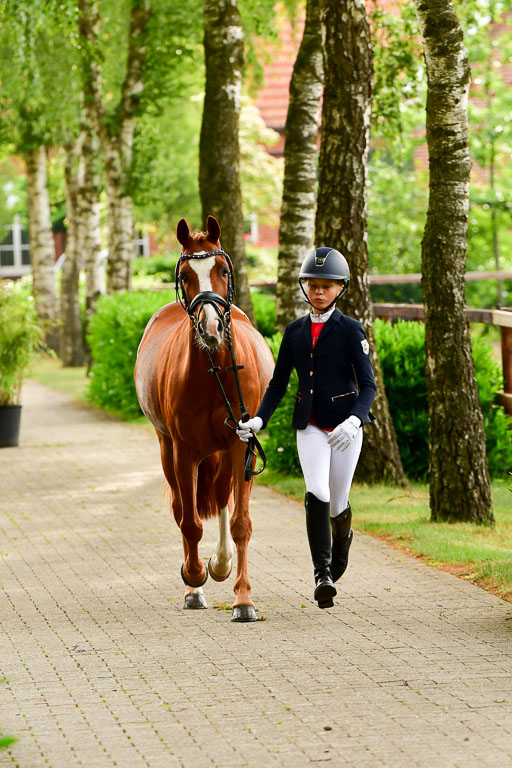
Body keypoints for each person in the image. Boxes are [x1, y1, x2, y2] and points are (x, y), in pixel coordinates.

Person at [237, 247, 376, 609]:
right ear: (304, 287)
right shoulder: (295, 332)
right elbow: (279, 384)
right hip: (310, 424)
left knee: (338, 501)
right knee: (316, 490)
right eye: (313, 285)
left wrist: (354, 419)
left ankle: (339, 552)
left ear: (340, 288)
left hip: (346, 428)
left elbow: (369, 386)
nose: (319, 292)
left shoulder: (350, 330)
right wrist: (259, 419)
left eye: (326, 286)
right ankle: (322, 574)